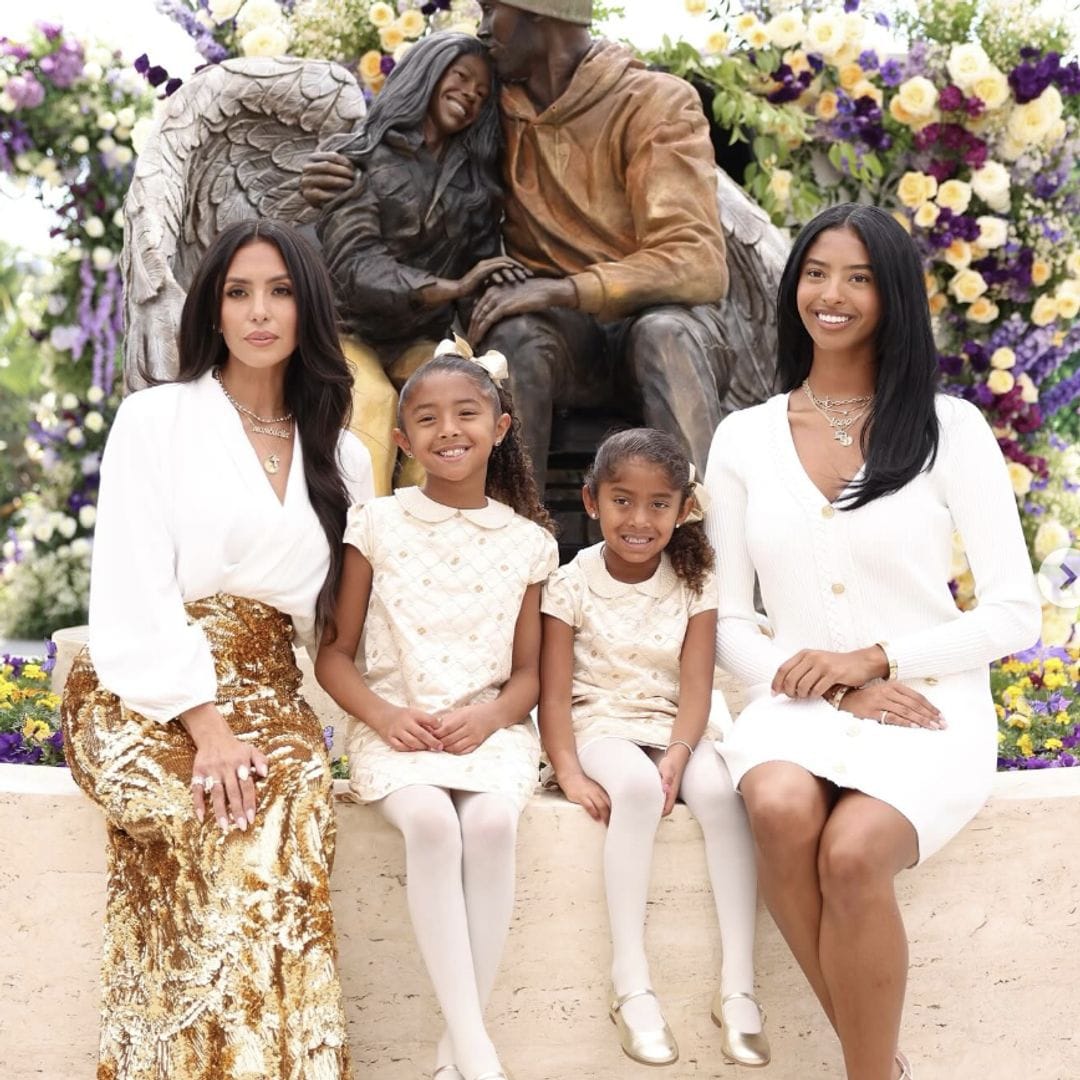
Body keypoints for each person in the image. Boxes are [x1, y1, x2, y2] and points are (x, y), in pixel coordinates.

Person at [703, 203, 1041, 1080]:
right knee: (778, 807)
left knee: (852, 854)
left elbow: (1016, 612)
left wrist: (882, 660)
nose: (832, 294)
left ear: (891, 295)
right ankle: (882, 1070)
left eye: (857, 277)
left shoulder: (950, 429)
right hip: (796, 701)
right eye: (816, 273)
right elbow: (729, 619)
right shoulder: (743, 439)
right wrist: (834, 684)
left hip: (926, 706)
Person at [61, 219, 374, 1079]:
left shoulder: (343, 456)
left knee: (285, 812)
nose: (259, 311)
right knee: (221, 823)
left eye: (278, 291)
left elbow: (344, 628)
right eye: (238, 292)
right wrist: (207, 726)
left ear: (307, 308)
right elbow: (131, 586)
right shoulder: (155, 419)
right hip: (143, 683)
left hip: (273, 694)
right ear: (213, 307)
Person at [303, 1, 779, 487]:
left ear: (540, 14)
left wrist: (560, 290)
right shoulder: (493, 111)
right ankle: (514, 535)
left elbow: (696, 262)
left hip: (664, 323)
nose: (482, 29)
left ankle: (699, 535)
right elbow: (417, 154)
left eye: (492, 11)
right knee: (512, 341)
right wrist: (348, 169)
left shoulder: (655, 101)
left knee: (663, 336)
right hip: (563, 339)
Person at [315, 342, 559, 1080]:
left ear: (501, 426)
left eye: (466, 414)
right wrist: (386, 717)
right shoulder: (376, 525)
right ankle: (477, 1054)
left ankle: (457, 1054)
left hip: (488, 731)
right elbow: (335, 654)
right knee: (428, 821)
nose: (447, 430)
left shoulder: (529, 544)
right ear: (402, 439)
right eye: (426, 418)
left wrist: (488, 720)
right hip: (398, 728)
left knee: (487, 823)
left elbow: (527, 677)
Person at [538, 428, 769, 1069]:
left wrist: (680, 750)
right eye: (622, 501)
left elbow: (696, 686)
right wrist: (568, 770)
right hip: (599, 723)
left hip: (676, 722)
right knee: (636, 791)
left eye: (658, 504)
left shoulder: (696, 583)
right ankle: (631, 984)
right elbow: (553, 697)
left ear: (682, 509)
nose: (639, 519)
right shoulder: (569, 583)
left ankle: (739, 987)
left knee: (724, 794)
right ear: (591, 501)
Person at [316, 31, 528, 495]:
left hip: (419, 336)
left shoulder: (475, 186)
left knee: (447, 404)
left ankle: (434, 541)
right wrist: (452, 287)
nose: (470, 96)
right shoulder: (360, 157)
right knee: (370, 401)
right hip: (347, 330)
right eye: (461, 79)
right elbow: (355, 268)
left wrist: (499, 289)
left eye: (481, 94)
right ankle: (363, 544)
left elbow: (481, 264)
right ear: (428, 74)